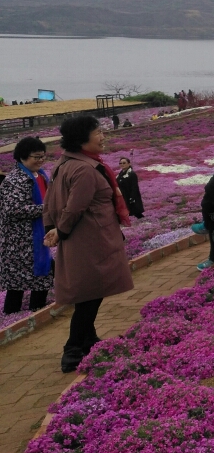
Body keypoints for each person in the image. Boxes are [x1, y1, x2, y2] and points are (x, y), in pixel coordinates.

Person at [43, 115, 134, 373]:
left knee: (89, 291)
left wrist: (52, 228)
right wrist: (59, 230)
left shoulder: (64, 163)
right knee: (89, 296)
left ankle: (89, 341)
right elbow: (74, 208)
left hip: (83, 239)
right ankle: (72, 350)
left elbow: (49, 202)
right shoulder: (84, 169)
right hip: (92, 240)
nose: (103, 136)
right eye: (98, 132)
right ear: (82, 138)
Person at [0, 137, 53, 315]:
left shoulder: (41, 175)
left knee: (42, 276)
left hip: (37, 236)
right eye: (36, 157)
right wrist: (47, 208)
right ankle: (13, 316)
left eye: (42, 156)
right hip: (19, 241)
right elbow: (13, 210)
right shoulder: (14, 180)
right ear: (22, 157)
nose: (40, 160)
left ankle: (37, 312)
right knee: (18, 284)